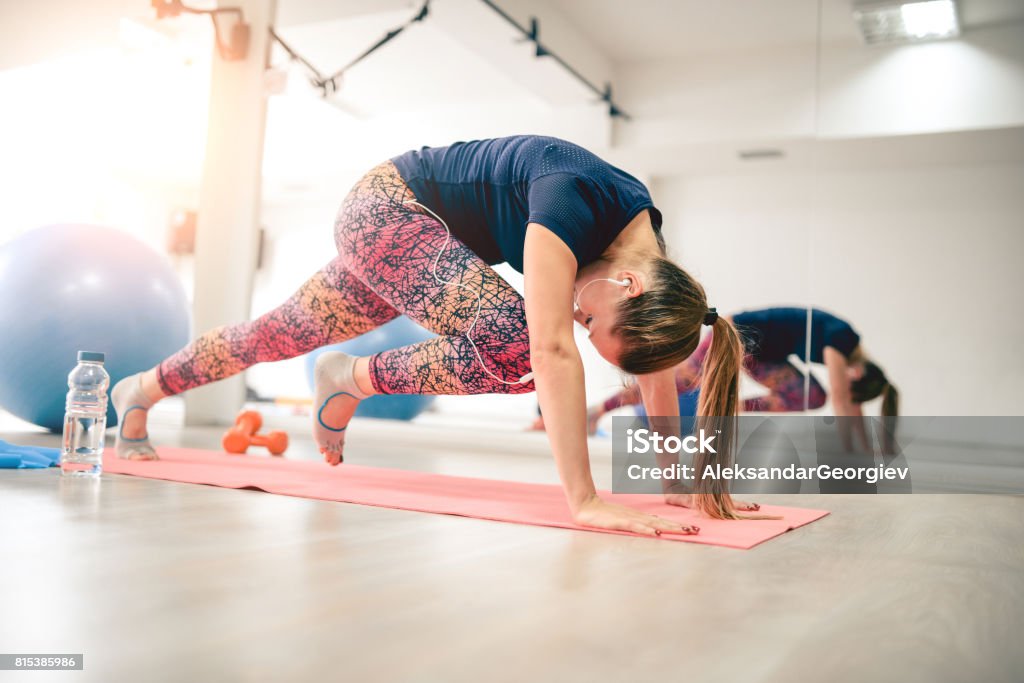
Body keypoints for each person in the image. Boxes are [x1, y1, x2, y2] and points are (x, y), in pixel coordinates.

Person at [110, 135, 762, 533]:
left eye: (584, 323)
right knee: (521, 347)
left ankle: (141, 389)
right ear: (628, 286)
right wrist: (585, 499)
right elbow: (551, 349)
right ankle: (348, 377)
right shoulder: (571, 203)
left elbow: (652, 371)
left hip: (417, 240)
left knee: (273, 335)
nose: (576, 318)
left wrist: (677, 477)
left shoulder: (643, 267)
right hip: (387, 211)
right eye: (590, 319)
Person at [578, 306, 899, 450]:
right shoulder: (841, 340)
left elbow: (848, 403)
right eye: (848, 382)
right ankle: (598, 411)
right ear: (856, 373)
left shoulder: (848, 351)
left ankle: (723, 407)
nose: (840, 381)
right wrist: (849, 450)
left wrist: (867, 447)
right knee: (682, 381)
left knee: (812, 397)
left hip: (765, 353)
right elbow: (844, 402)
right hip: (736, 332)